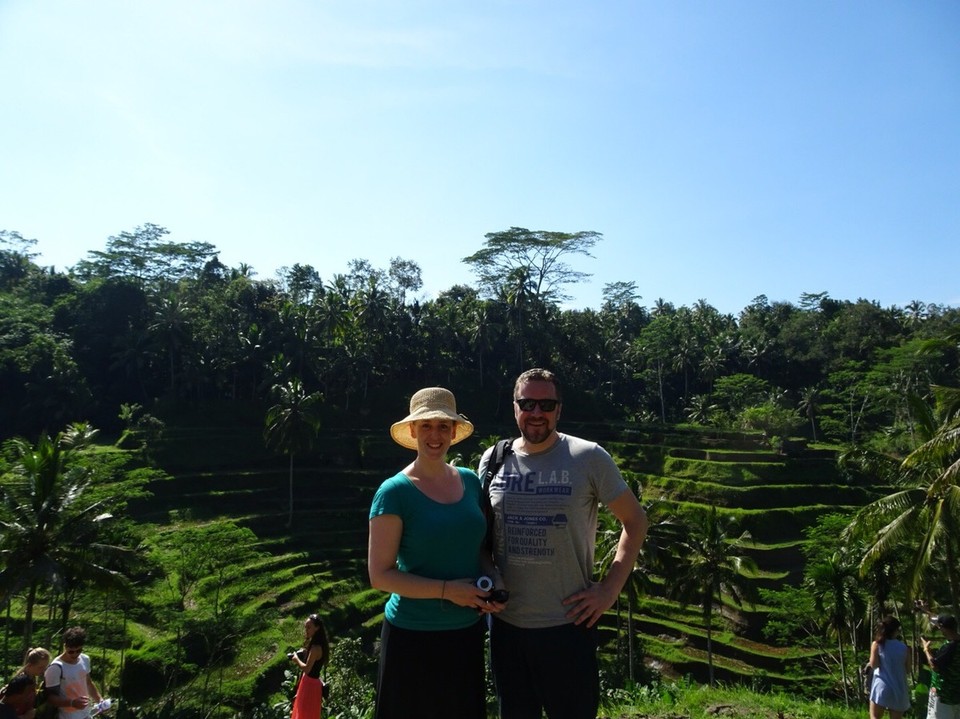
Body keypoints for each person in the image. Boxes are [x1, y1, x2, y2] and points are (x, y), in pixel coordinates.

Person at [478, 367, 648, 719]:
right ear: (514, 407)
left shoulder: (588, 457)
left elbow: (635, 521)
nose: (536, 412)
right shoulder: (493, 461)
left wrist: (609, 590)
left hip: (568, 626)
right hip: (507, 629)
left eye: (546, 404)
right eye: (527, 403)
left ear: (559, 409)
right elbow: (482, 538)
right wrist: (489, 574)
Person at [368, 387, 497, 719]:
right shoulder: (394, 492)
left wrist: (492, 580)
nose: (435, 435)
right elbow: (380, 575)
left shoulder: (470, 482)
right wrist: (447, 591)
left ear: (454, 432)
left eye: (443, 426)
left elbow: (479, 547)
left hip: (465, 632)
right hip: (412, 637)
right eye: (426, 426)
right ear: (412, 432)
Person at [43, 627, 102, 719]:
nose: (75, 654)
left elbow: (88, 683)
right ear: (65, 646)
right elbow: (50, 698)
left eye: (78, 650)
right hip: (67, 716)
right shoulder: (55, 667)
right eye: (71, 651)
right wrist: (72, 703)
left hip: (86, 714)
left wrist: (100, 700)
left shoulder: (85, 659)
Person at [869, 615, 911, 719]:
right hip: (899, 687)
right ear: (896, 630)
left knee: (875, 716)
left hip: (882, 686)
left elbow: (874, 665)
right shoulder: (904, 648)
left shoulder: (877, 644)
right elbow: (908, 670)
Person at [289, 613, 329, 719]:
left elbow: (307, 669)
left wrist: (296, 659)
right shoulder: (320, 645)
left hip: (309, 685)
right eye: (306, 627)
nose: (306, 630)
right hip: (313, 684)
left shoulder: (315, 648)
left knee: (303, 714)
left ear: (317, 628)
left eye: (309, 627)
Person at [922, 613, 960, 719]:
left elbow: (934, 666)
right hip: (957, 695)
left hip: (943, 694)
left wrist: (926, 650)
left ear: (943, 628)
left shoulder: (950, 647)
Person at [3, 647, 51, 719]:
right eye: (40, 667)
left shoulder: (32, 681)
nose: (44, 670)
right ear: (30, 665)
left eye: (45, 667)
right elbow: (4, 706)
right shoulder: (21, 681)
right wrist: (24, 717)